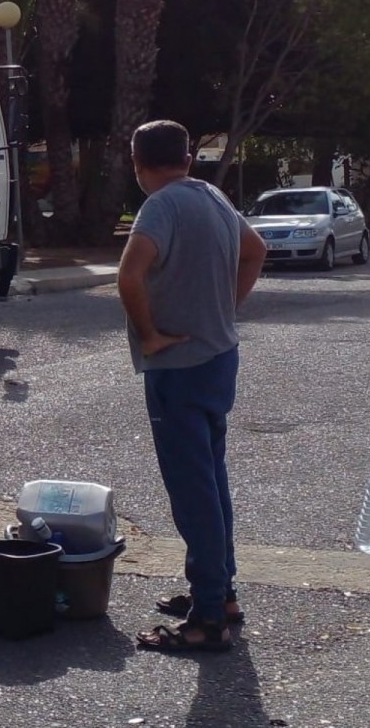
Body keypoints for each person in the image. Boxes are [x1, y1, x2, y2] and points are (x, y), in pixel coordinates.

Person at [118, 120, 265, 652]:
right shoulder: (213, 195)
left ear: (138, 160)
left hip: (177, 366)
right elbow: (256, 251)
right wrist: (226, 309)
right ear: (187, 157)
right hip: (219, 358)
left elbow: (129, 276)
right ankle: (220, 592)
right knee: (212, 480)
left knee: (192, 490)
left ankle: (207, 619)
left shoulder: (160, 206)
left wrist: (151, 335)